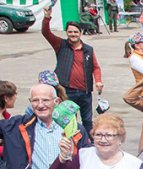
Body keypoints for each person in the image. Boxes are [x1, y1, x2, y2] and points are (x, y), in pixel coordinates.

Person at [41, 4, 103, 133]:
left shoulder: (88, 50)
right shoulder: (60, 45)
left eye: (75, 32)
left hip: (85, 92)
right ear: (66, 33)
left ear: (80, 33)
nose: (72, 34)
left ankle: (88, 142)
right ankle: (70, 142)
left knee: (87, 120)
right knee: (69, 120)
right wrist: (47, 17)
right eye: (70, 32)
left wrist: (98, 81)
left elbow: (96, 67)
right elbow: (46, 33)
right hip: (66, 91)